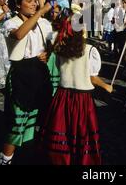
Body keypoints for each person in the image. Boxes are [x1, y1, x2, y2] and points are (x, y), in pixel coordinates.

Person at [40, 10, 112, 165]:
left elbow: (60, 69)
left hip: (62, 96)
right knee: (82, 131)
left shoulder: (60, 49)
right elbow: (92, 78)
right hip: (82, 99)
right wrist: (106, 86)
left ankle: (62, 159)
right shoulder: (90, 50)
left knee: (63, 130)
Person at [0, 0, 54, 165]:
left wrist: (48, 53)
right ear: (17, 5)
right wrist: (39, 13)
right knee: (17, 119)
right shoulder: (11, 22)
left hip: (39, 72)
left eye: (34, 0)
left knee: (40, 114)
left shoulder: (43, 24)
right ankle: (6, 159)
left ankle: (34, 151)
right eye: (29, 1)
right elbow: (19, 34)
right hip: (21, 74)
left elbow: (51, 44)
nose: (34, 4)